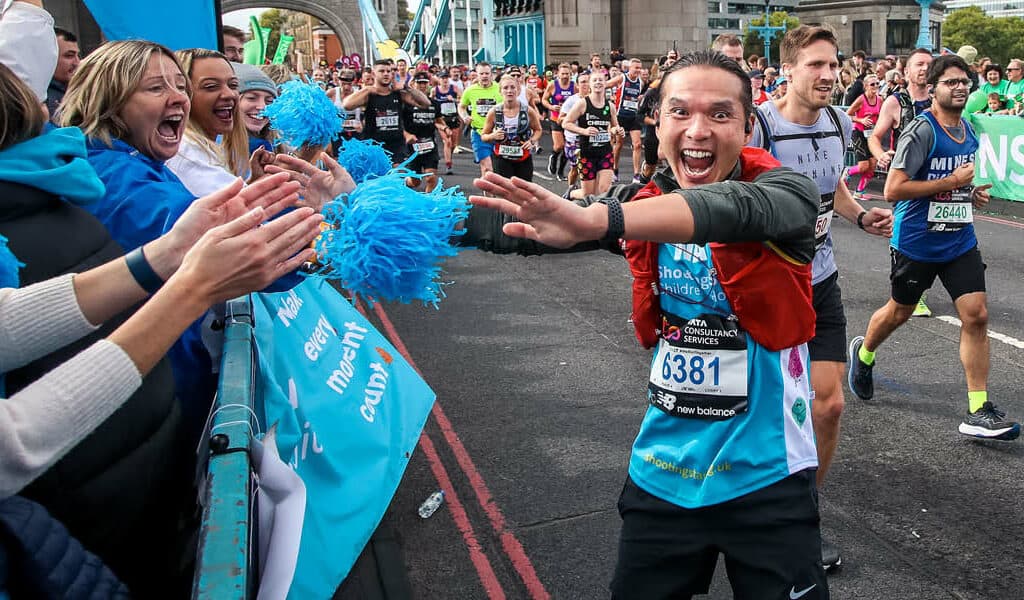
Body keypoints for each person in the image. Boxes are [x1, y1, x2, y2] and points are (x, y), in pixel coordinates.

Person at [470, 49, 828, 600]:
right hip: (663, 473)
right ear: (655, 120)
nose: (698, 130)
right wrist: (372, 209)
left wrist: (596, 217)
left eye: (720, 114)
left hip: (767, 477)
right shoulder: (643, 204)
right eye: (679, 112)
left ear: (749, 125)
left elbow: (732, 208)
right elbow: (518, 224)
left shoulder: (787, 196)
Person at [749, 25, 894, 574]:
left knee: (828, 404)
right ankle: (751, 511)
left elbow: (832, 187)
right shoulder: (760, 125)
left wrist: (859, 214)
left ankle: (802, 517)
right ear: (788, 68)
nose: (829, 75)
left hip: (822, 279)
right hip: (767, 286)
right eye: (816, 65)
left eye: (833, 66)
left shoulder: (838, 123)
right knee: (765, 407)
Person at [848, 54, 1021, 443]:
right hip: (917, 241)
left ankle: (979, 409)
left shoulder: (969, 130)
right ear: (935, 88)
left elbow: (957, 181)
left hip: (959, 239)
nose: (960, 88)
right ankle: (864, 354)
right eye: (951, 82)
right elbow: (893, 189)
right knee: (899, 312)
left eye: (965, 82)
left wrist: (970, 192)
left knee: (975, 315)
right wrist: (950, 183)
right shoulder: (921, 130)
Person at [868, 48, 934, 317]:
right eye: (919, 64)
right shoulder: (895, 102)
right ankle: (909, 288)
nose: (924, 69)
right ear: (906, 71)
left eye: (929, 65)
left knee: (933, 231)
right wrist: (881, 154)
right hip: (904, 178)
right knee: (907, 232)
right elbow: (875, 137)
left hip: (934, 177)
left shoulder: (938, 100)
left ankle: (917, 288)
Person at [166, 49, 250, 196]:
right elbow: (247, 211)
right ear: (182, 94)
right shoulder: (185, 154)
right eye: (211, 86)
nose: (229, 94)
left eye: (233, 85)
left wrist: (257, 180)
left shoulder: (204, 148)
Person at [342, 58, 432, 167]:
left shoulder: (398, 94)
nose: (386, 74)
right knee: (379, 179)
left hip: (396, 145)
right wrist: (367, 89)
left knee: (398, 175)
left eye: (389, 71)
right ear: (374, 74)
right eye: (382, 71)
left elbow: (426, 103)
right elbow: (346, 105)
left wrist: (406, 87)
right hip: (374, 145)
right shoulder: (368, 95)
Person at [561, 70, 623, 196]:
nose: (598, 83)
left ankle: (598, 215)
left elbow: (613, 126)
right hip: (587, 153)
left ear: (606, 83)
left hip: (605, 152)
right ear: (590, 84)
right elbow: (566, 123)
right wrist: (584, 131)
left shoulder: (609, 106)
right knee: (588, 195)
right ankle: (571, 194)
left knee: (604, 190)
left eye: (601, 80)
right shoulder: (583, 103)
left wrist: (617, 130)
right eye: (594, 80)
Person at [481, 74, 542, 182]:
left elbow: (538, 130)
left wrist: (532, 141)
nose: (509, 91)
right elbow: (484, 136)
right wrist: (493, 136)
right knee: (505, 189)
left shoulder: (527, 111)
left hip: (523, 157)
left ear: (518, 90)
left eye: (513, 87)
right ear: (500, 91)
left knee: (524, 190)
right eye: (505, 88)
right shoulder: (494, 112)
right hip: (501, 157)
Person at [457, 61, 504, 177]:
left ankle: (497, 194)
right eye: (481, 74)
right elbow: (461, 106)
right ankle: (488, 195)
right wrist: (464, 116)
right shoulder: (470, 90)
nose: (484, 76)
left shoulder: (500, 89)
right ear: (477, 75)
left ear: (491, 74)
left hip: (499, 133)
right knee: (487, 168)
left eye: (487, 73)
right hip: (479, 133)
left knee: (500, 170)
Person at [402, 72, 445, 192]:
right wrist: (407, 135)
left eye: (425, 83)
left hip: (429, 145)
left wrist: (444, 127)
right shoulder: (406, 104)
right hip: (412, 147)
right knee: (415, 182)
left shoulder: (434, 104)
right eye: (419, 83)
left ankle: (427, 204)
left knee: (431, 178)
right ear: (413, 84)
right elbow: (399, 125)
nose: (422, 86)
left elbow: (438, 119)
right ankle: (405, 182)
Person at [610, 58, 646, 183]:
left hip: (633, 116)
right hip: (620, 116)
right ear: (629, 68)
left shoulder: (640, 82)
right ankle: (614, 169)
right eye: (636, 68)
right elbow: (606, 85)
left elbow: (635, 98)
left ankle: (636, 174)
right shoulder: (622, 78)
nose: (638, 70)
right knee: (619, 144)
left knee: (637, 144)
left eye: (639, 68)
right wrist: (607, 100)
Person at [845, 73, 882, 196]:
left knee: (872, 166)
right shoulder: (861, 99)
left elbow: (881, 115)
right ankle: (848, 172)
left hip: (872, 135)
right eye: (872, 84)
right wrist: (861, 120)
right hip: (859, 133)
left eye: (878, 83)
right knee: (863, 166)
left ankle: (859, 191)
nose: (876, 86)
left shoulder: (880, 99)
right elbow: (848, 114)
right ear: (866, 86)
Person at [234, 62, 278, 154]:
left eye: (269, 101)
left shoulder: (278, 146)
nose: (262, 107)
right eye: (251, 98)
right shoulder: (214, 149)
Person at [542, 63, 576, 180]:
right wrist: (551, 107)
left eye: (567, 74)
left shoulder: (574, 86)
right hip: (556, 119)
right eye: (563, 74)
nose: (565, 76)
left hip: (569, 120)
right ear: (558, 74)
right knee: (559, 145)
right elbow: (544, 100)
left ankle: (560, 172)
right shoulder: (553, 85)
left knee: (568, 147)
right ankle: (554, 156)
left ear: (570, 74)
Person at [559, 71, 590, 190]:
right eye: (582, 82)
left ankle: (588, 193)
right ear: (577, 85)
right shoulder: (572, 101)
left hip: (591, 139)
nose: (585, 84)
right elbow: (560, 119)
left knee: (590, 169)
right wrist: (573, 118)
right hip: (574, 141)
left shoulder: (597, 100)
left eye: (588, 81)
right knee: (576, 169)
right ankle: (570, 190)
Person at [45, 27, 80, 121]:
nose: (77, 62)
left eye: (77, 55)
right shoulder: (42, 99)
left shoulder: (75, 90)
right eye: (69, 56)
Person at [433, 70, 462, 174]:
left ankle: (449, 156)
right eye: (442, 78)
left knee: (453, 144)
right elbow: (430, 102)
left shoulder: (454, 88)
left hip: (453, 118)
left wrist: (453, 99)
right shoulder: (435, 90)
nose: (445, 80)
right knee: (447, 142)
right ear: (439, 80)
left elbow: (462, 101)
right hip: (442, 119)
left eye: (446, 78)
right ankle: (448, 165)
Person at [330, 68, 363, 142]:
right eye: (343, 84)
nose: (346, 87)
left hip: (355, 133)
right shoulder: (332, 93)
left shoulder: (359, 93)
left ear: (354, 82)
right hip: (337, 134)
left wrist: (363, 125)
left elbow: (368, 111)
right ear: (339, 81)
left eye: (349, 84)